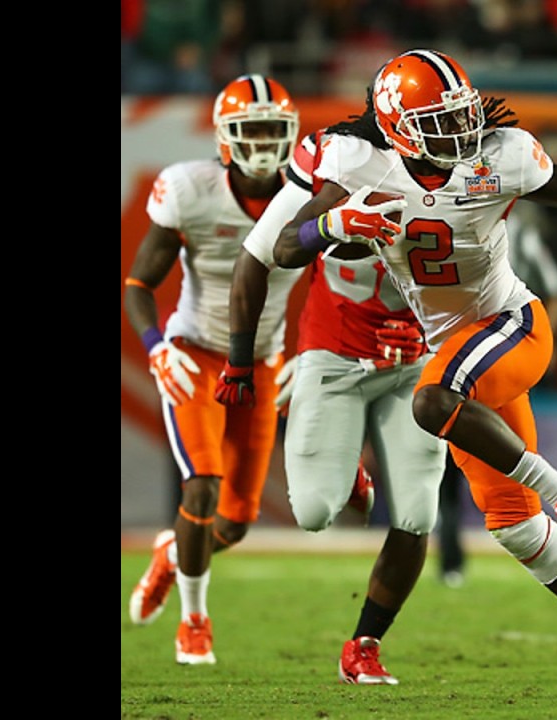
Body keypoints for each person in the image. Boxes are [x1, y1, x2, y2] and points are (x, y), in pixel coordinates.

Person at [271, 49, 557, 699]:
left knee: (430, 401)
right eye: (438, 121)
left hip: (509, 327)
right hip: (456, 347)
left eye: (460, 114)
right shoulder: (359, 165)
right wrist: (330, 224)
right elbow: (283, 245)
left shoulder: (500, 156)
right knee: (515, 528)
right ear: (395, 127)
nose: (460, 133)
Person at [221, 106, 452, 683]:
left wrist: (446, 334)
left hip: (415, 360)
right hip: (337, 351)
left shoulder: (463, 178)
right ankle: (349, 472)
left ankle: (365, 644)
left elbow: (487, 278)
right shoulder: (342, 163)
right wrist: (240, 362)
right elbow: (269, 253)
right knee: (315, 511)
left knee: (418, 513)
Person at [123, 74, 321, 665]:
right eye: (250, 129)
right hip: (197, 351)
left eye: (272, 130)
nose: (262, 143)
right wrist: (158, 345)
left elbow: (336, 287)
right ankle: (195, 620)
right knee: (201, 484)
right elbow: (138, 284)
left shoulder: (310, 196)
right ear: (224, 137)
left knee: (234, 523)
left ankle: (170, 552)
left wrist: (308, 354)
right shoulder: (189, 187)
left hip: (263, 362)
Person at [435, 198, 557, 588]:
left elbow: (554, 290)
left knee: (506, 452)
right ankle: (452, 555)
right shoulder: (437, 217)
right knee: (445, 462)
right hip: (449, 352)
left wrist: (543, 343)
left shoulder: (519, 231)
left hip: (500, 349)